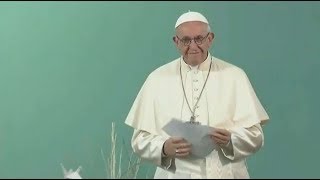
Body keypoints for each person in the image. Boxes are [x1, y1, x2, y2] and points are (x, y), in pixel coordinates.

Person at [125, 11, 269, 179]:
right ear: (176, 42)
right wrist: (164, 148)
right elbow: (139, 140)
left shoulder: (235, 76)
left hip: (226, 174)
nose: (193, 46)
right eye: (186, 40)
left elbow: (256, 136)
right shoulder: (157, 79)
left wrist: (231, 140)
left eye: (199, 39)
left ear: (210, 38)